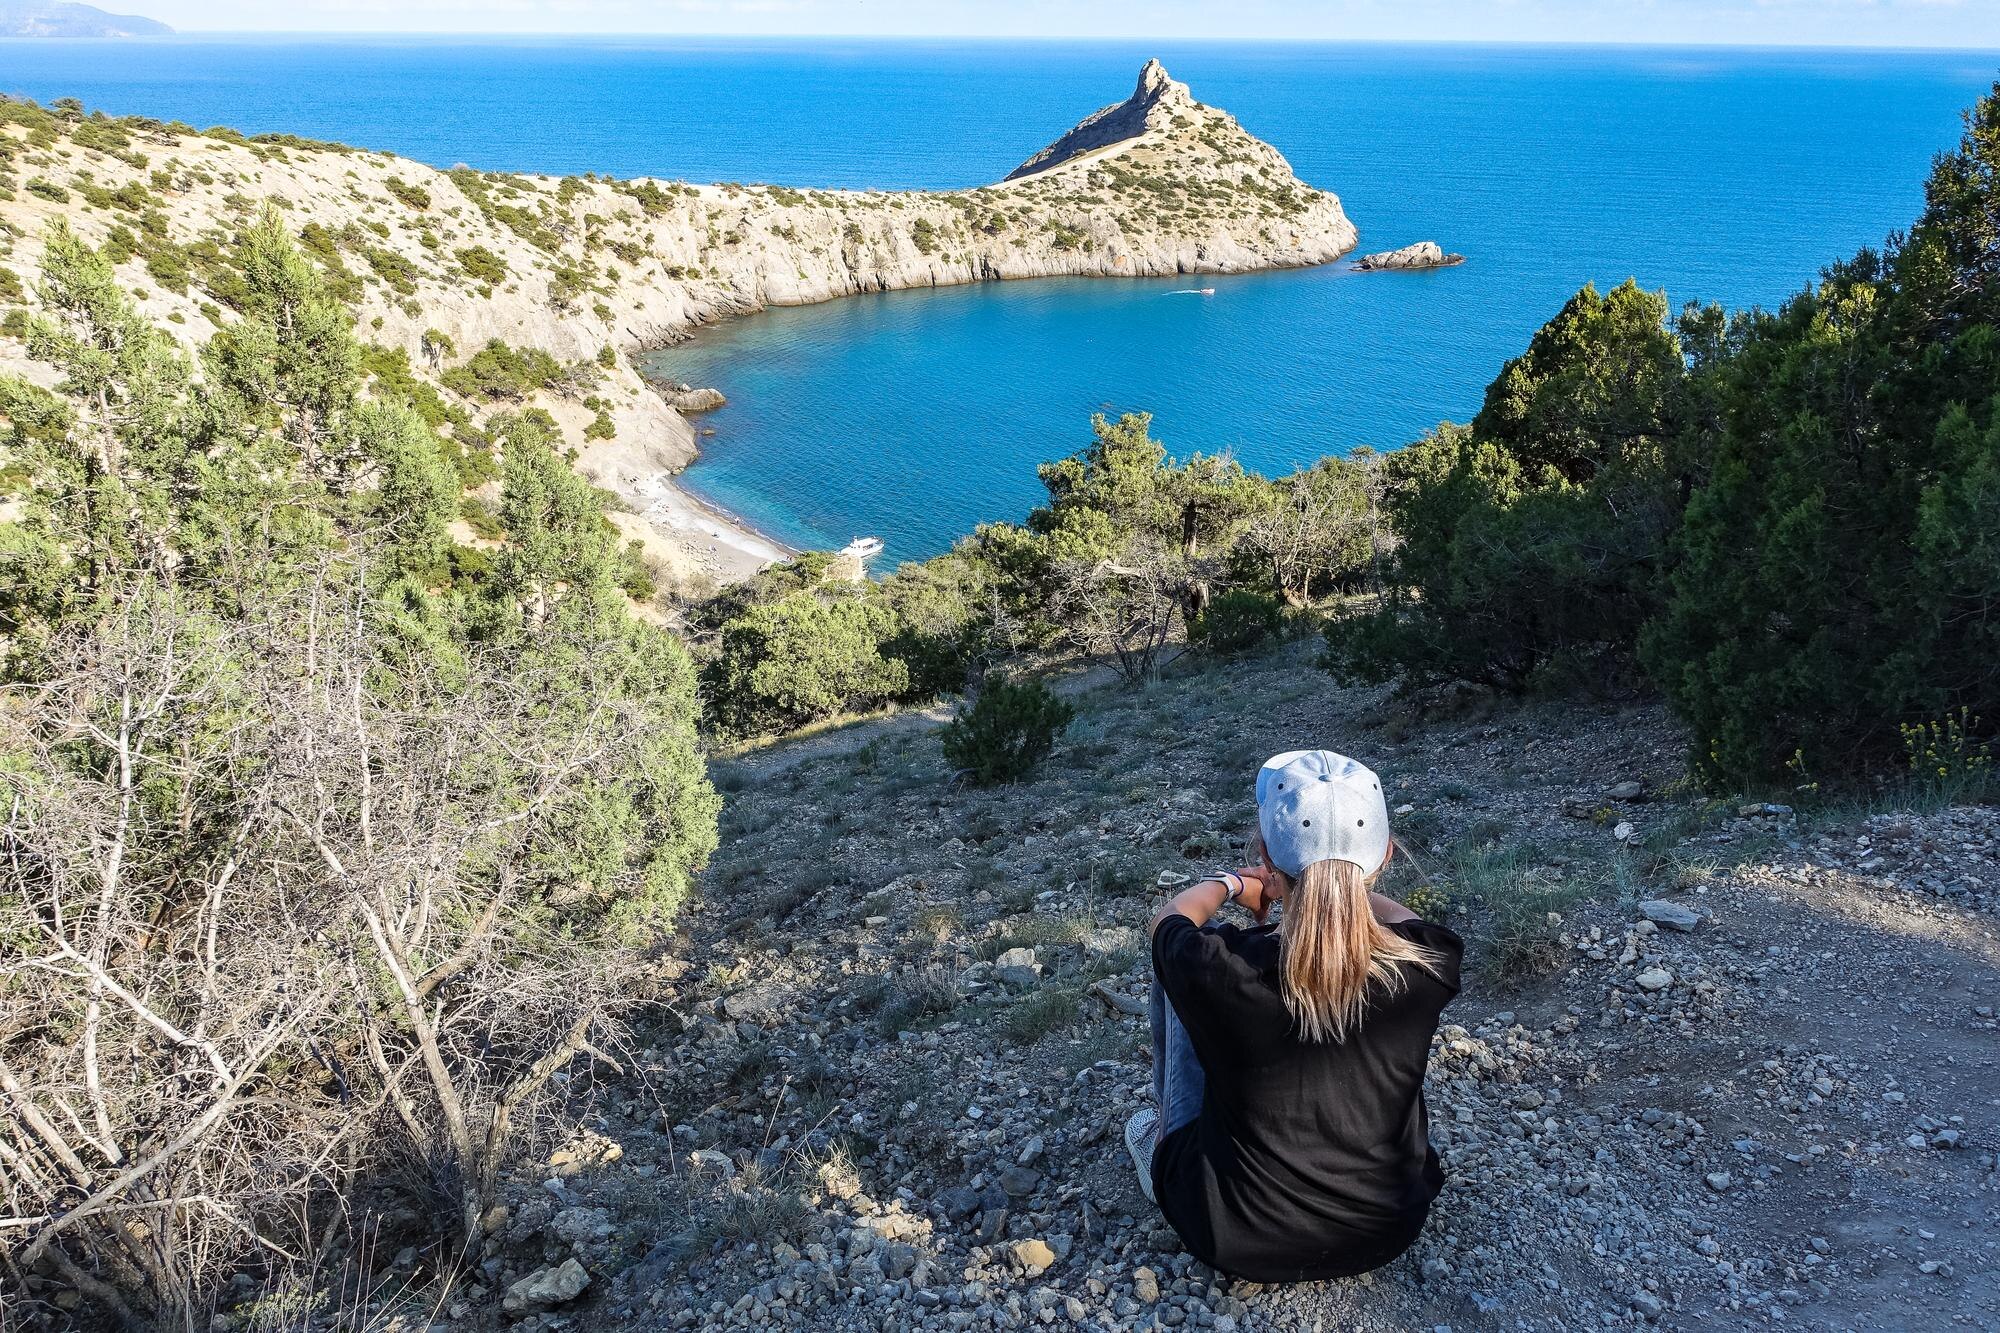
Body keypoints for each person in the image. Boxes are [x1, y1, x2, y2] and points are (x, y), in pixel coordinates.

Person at [1126, 749, 1462, 1284]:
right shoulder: (1430, 962)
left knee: (1174, 973)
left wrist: (1237, 882)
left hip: (1231, 1234)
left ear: (1267, 856)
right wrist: (1342, 886)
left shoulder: (1221, 966)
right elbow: (1406, 920)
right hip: (1387, 1229)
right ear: (1386, 858)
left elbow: (1169, 922)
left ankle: (1162, 1138)